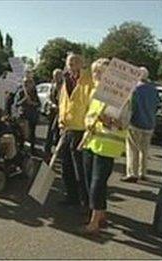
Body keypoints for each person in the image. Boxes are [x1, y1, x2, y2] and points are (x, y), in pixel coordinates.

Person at [81, 58, 130, 234]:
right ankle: (100, 214)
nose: (98, 76)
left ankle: (94, 223)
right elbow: (88, 116)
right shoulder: (95, 94)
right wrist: (89, 122)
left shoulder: (120, 96)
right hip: (91, 143)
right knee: (89, 182)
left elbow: (124, 123)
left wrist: (110, 121)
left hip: (108, 146)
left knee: (97, 184)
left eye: (102, 73)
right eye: (95, 72)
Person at [58, 53, 94, 207]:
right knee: (66, 166)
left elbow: (91, 104)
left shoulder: (88, 80)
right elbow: (62, 102)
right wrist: (61, 122)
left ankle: (85, 202)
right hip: (66, 128)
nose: (71, 65)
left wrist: (88, 127)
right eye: (69, 62)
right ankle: (71, 197)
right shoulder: (66, 80)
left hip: (81, 129)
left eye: (74, 62)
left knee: (81, 170)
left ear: (82, 64)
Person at [121, 67, 160, 182]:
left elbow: (131, 107)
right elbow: (157, 104)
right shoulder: (153, 89)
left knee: (133, 149)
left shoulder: (135, 90)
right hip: (149, 123)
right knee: (145, 149)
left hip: (136, 123)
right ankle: (143, 172)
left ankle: (132, 173)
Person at [14, 78, 41, 153]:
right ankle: (22, 147)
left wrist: (32, 103)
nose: (28, 84)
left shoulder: (34, 93)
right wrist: (24, 99)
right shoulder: (21, 92)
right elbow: (16, 104)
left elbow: (38, 104)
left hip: (32, 114)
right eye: (26, 83)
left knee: (32, 132)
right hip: (23, 114)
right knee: (22, 132)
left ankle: (32, 148)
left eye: (30, 83)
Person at [44, 68, 64, 157]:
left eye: (58, 76)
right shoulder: (52, 86)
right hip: (53, 111)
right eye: (55, 76)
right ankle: (47, 150)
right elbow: (48, 98)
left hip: (61, 112)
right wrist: (52, 104)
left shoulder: (65, 86)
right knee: (50, 131)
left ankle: (59, 150)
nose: (56, 78)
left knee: (59, 131)